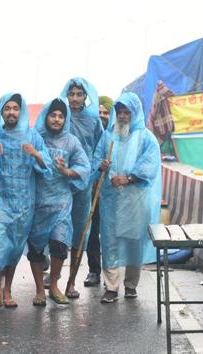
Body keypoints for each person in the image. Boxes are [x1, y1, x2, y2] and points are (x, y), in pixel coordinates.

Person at [0, 93, 51, 311]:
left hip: (23, 202)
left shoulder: (32, 137)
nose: (11, 112)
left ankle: (8, 290)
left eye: (15, 108)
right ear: (1, 112)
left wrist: (36, 154)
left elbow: (47, 165)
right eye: (7, 108)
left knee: (13, 247)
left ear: (20, 112)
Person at [94, 92, 161, 303]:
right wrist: (101, 165)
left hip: (135, 201)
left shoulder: (146, 138)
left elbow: (150, 166)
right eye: (119, 112)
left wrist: (129, 178)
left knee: (134, 241)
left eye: (126, 112)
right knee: (110, 240)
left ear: (135, 113)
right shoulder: (108, 135)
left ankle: (131, 285)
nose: (122, 116)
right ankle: (111, 287)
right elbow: (97, 158)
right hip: (111, 200)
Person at [28, 98, 90, 306]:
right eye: (53, 115)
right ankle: (39, 290)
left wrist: (66, 171)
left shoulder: (72, 141)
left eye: (61, 116)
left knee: (60, 244)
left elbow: (84, 166)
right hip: (37, 202)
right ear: (46, 116)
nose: (56, 119)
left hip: (61, 203)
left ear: (66, 119)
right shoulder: (36, 138)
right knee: (36, 248)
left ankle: (54, 285)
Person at [60, 77, 103, 299]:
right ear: (66, 96)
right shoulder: (58, 116)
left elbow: (99, 147)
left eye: (79, 94)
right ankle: (57, 274)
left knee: (84, 229)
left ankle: (82, 276)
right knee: (57, 226)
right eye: (71, 94)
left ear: (86, 96)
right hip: (60, 181)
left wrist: (94, 172)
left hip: (86, 182)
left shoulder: (93, 120)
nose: (75, 98)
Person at [83, 95, 115, 287]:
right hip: (92, 188)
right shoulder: (90, 133)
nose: (102, 116)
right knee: (92, 231)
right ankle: (94, 270)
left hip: (113, 192)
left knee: (111, 233)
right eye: (99, 112)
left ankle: (112, 274)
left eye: (106, 113)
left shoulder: (116, 135)